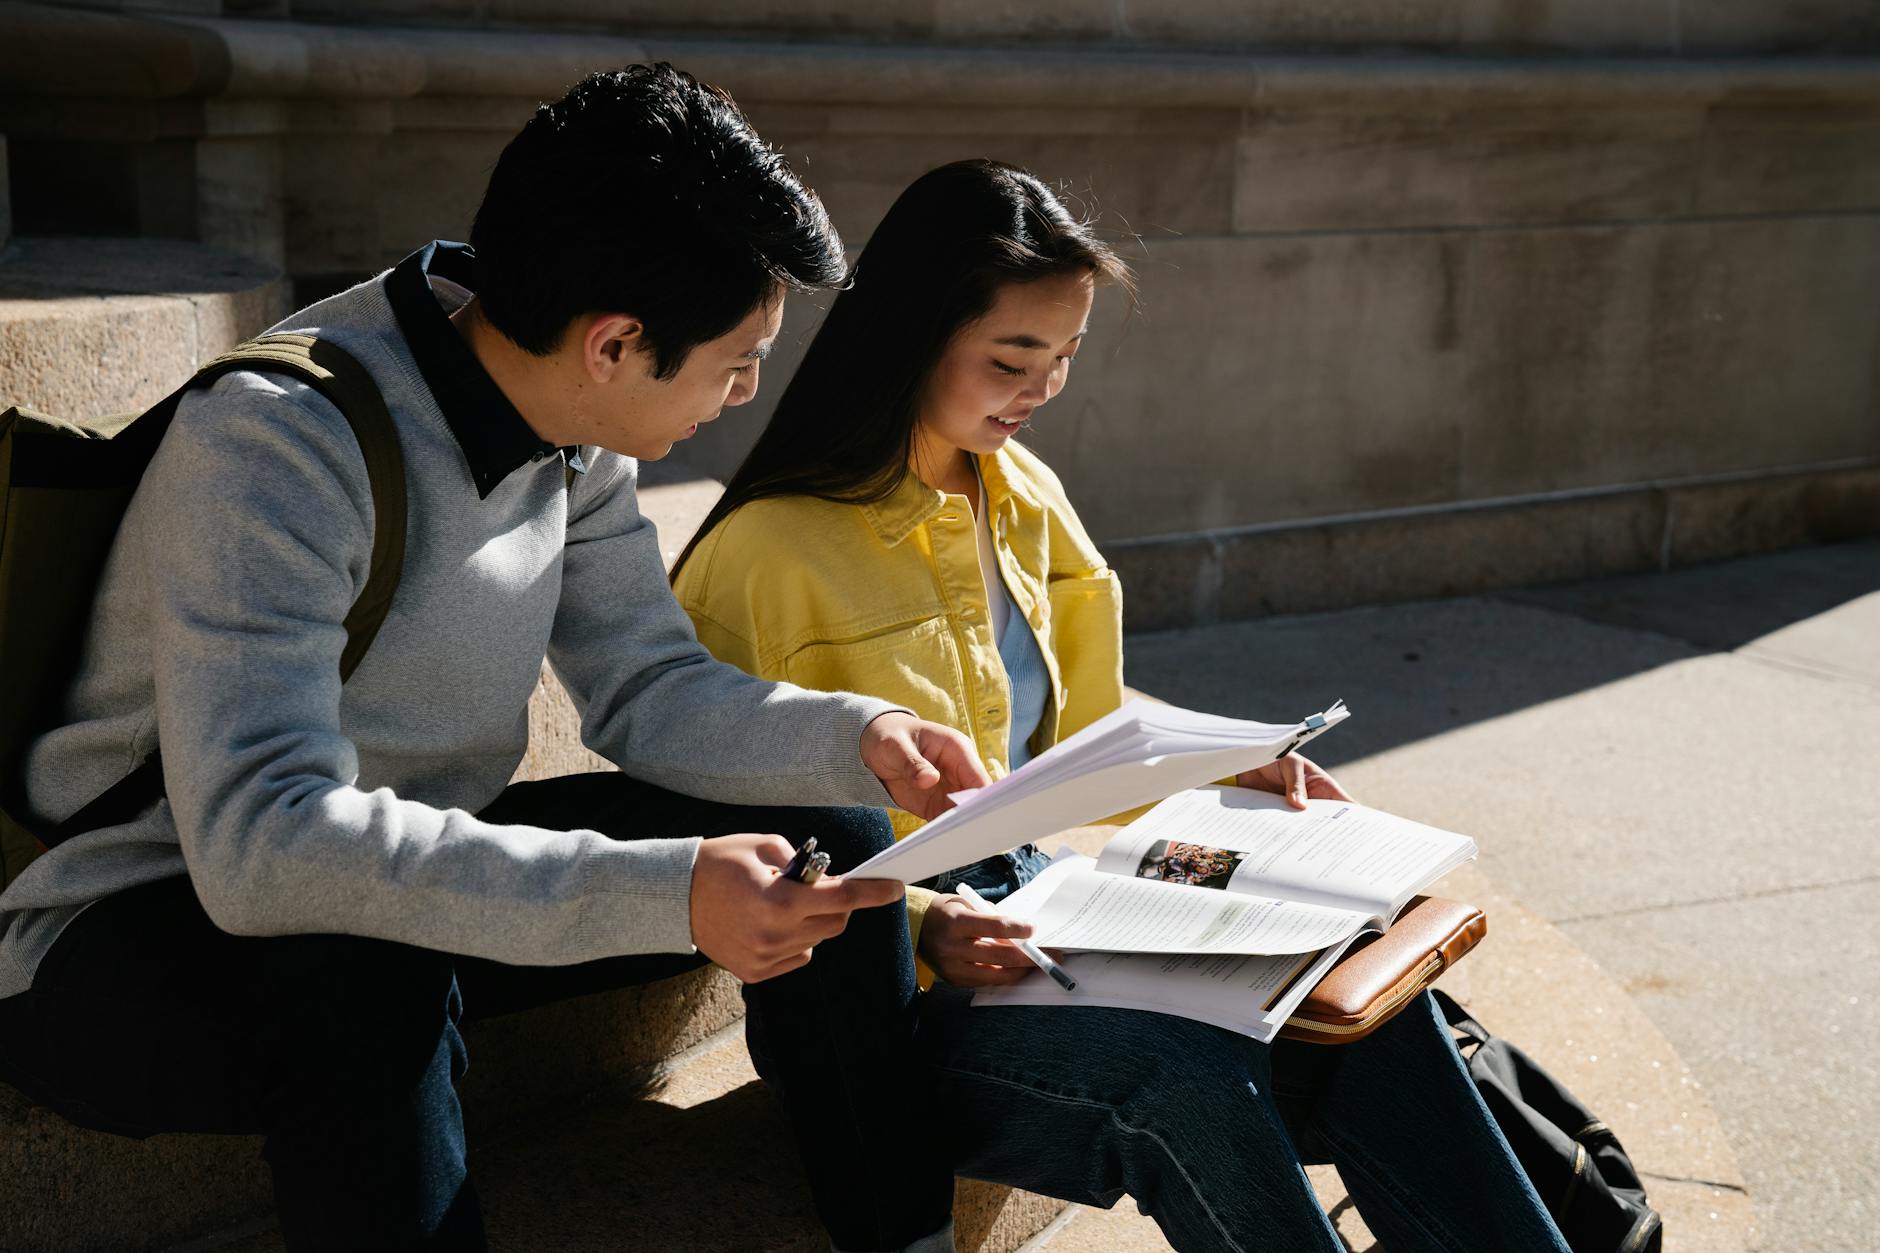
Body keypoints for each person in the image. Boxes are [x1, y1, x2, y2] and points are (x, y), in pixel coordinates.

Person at [0, 67, 993, 1250]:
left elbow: (645, 686)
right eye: (737, 360)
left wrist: (854, 736)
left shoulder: (575, 424)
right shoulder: (275, 442)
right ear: (615, 343)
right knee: (366, 982)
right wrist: (661, 889)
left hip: (405, 888)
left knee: (826, 809)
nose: (746, 393)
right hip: (130, 927)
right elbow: (263, 848)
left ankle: (901, 1233)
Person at [673, 159, 1575, 1253]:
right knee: (1183, 1073)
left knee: (1355, 991)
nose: (1042, 386)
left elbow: (1089, 741)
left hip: (1046, 914)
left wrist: (1228, 767)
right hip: (878, 1007)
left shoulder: (1019, 493)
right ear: (911, 330)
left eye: (1064, 356)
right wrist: (925, 930)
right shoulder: (759, 557)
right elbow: (724, 843)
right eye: (1013, 357)